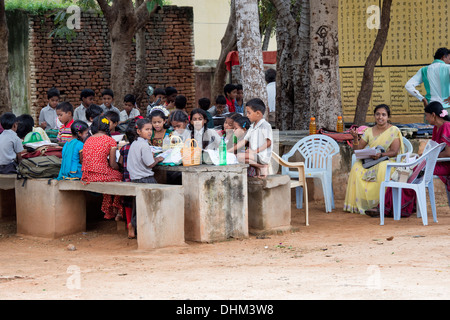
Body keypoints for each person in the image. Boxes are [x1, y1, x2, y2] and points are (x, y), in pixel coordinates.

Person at [367, 101, 450, 218]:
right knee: (401, 172)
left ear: (433, 115)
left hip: (444, 164)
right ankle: (388, 206)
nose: (426, 118)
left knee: (410, 173)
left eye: (426, 115)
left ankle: (395, 208)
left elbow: (447, 153)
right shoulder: (437, 128)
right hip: (433, 162)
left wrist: (427, 156)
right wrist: (424, 156)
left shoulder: (447, 126)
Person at [344, 104, 404, 215]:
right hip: (370, 161)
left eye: (383, 115)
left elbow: (394, 151)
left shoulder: (393, 130)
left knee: (382, 168)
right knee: (356, 167)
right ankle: (362, 205)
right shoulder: (368, 131)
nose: (380, 117)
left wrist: (380, 155)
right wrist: (356, 138)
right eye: (377, 114)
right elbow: (357, 151)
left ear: (388, 117)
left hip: (387, 160)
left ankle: (381, 205)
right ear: (374, 116)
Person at [82, 115, 123, 220]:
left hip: (87, 176)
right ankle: (116, 209)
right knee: (120, 177)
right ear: (107, 126)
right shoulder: (110, 141)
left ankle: (109, 210)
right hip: (101, 175)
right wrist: (120, 167)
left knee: (109, 178)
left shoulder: (88, 140)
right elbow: (113, 164)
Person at [230, 98, 273, 178]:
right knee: (240, 157)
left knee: (239, 156)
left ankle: (262, 166)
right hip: (255, 155)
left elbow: (268, 142)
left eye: (249, 113)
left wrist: (254, 151)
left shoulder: (265, 125)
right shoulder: (252, 127)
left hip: (262, 156)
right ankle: (259, 172)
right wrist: (229, 150)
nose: (247, 115)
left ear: (258, 113)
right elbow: (243, 141)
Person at [118, 118, 138, 238]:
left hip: (126, 179)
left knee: (128, 202)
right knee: (136, 202)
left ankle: (129, 225)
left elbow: (120, 162)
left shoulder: (124, 148)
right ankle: (135, 225)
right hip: (136, 180)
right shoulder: (139, 147)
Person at [128, 118, 164, 184]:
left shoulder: (134, 143)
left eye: (151, 129)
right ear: (138, 131)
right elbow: (150, 164)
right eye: (147, 129)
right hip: (145, 179)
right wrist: (157, 159)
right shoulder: (144, 145)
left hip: (134, 179)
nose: (150, 132)